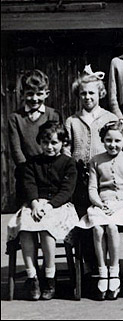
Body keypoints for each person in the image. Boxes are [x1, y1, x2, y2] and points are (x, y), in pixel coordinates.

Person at [7, 121, 78, 301]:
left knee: (46, 228)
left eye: (54, 143)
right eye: (45, 143)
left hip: (58, 206)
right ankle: (33, 277)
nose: (49, 147)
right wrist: (35, 203)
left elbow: (66, 191)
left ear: (63, 143)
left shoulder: (69, 163)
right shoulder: (32, 163)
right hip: (35, 204)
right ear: (40, 142)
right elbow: (29, 184)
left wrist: (48, 205)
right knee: (25, 227)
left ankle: (49, 276)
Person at [77, 120, 123, 301]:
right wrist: (99, 203)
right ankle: (102, 270)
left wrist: (121, 203)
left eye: (117, 141)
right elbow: (92, 188)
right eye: (108, 140)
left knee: (111, 226)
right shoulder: (95, 161)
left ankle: (115, 271)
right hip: (102, 204)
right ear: (103, 141)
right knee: (97, 228)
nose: (112, 145)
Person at [64, 67, 119, 214]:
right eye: (83, 93)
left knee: (101, 211)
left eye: (91, 93)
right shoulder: (72, 121)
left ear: (100, 94)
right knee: (81, 211)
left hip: (103, 173)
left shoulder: (110, 118)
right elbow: (66, 149)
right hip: (78, 175)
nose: (87, 97)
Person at [9, 69, 62, 179]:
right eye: (30, 94)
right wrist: (28, 172)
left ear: (46, 94)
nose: (34, 99)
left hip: (50, 172)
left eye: (39, 94)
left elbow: (59, 144)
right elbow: (16, 150)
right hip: (26, 172)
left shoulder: (53, 115)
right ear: (22, 94)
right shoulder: (15, 118)